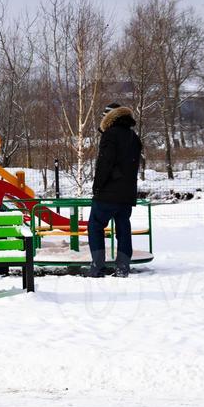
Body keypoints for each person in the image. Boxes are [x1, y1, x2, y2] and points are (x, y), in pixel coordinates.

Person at [88, 103, 143, 278]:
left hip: (107, 193)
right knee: (123, 228)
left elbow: (105, 164)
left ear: (109, 118)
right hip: (127, 194)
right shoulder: (133, 137)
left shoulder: (110, 135)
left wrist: (97, 186)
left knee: (95, 226)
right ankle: (123, 268)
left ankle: (97, 267)